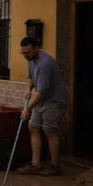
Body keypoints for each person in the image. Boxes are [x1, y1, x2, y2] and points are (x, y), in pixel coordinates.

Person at [17, 37, 68, 177]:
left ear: (36, 48)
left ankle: (54, 166)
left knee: (49, 130)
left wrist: (28, 109)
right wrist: (28, 88)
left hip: (54, 100)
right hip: (40, 99)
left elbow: (42, 92)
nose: (25, 56)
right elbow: (30, 77)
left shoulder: (45, 63)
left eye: (27, 52)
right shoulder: (31, 60)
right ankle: (35, 164)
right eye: (23, 53)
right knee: (33, 127)